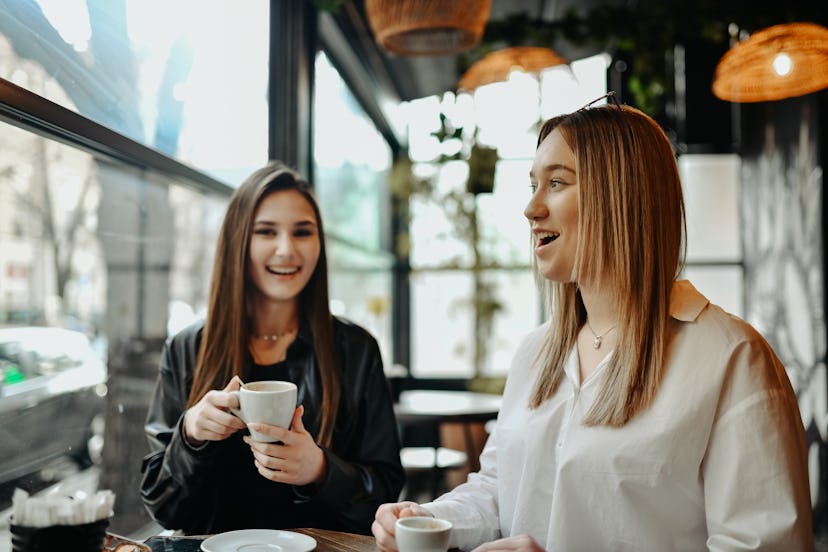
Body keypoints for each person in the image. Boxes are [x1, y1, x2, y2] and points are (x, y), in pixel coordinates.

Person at [373, 95, 813, 551]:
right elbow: (499, 489)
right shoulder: (535, 353)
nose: (531, 208)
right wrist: (427, 518)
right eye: (533, 185)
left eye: (556, 183)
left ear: (621, 194)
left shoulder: (733, 360)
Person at [140, 161, 405, 535]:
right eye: (266, 231)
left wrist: (320, 471)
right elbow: (164, 510)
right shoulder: (187, 348)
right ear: (238, 242)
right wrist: (191, 435)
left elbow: (386, 495)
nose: (286, 249)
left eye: (302, 232)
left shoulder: (356, 350)